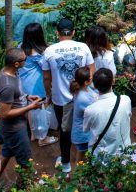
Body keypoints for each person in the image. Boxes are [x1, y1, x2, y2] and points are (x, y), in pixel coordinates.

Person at [41, 18, 95, 174]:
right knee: (87, 126)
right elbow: (92, 71)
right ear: (73, 32)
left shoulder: (50, 50)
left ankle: (65, 164)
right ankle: (88, 158)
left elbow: (46, 77)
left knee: (64, 132)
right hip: (84, 95)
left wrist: (49, 94)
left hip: (61, 99)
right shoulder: (83, 47)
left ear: (57, 33)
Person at [0, 49, 43, 181]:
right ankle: (26, 186)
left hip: (15, 126)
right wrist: (31, 107)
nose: (26, 60)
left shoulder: (10, 72)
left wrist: (27, 97)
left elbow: (16, 95)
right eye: (24, 59)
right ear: (16, 64)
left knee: (7, 152)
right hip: (14, 129)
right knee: (26, 162)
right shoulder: (7, 86)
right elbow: (5, 113)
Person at [19, 23, 57, 147]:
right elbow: (47, 68)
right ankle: (43, 137)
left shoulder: (21, 48)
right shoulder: (39, 53)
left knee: (30, 109)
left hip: (24, 83)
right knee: (40, 109)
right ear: (40, 35)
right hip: (36, 84)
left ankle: (33, 134)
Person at [83, 68, 132, 158]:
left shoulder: (90, 110)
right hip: (125, 153)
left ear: (94, 85)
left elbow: (85, 129)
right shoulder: (126, 100)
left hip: (101, 156)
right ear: (113, 81)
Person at [70, 66, 97, 164]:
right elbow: (94, 110)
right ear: (86, 82)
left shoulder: (86, 88)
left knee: (83, 157)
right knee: (81, 159)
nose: (92, 78)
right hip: (82, 134)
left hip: (84, 131)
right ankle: (78, 176)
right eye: (90, 78)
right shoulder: (82, 98)